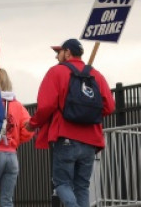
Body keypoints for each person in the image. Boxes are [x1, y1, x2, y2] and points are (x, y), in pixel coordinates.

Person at [26, 39, 115, 207]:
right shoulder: (96, 75)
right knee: (82, 187)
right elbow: (109, 106)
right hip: (91, 141)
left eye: (58, 53)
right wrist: (87, 114)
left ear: (67, 53)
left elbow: (46, 106)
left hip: (66, 137)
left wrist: (33, 124)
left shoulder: (56, 72)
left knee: (62, 184)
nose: (56, 57)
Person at [0, 69, 32, 207]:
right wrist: (16, 140)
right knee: (7, 200)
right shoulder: (18, 105)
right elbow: (28, 129)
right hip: (12, 156)